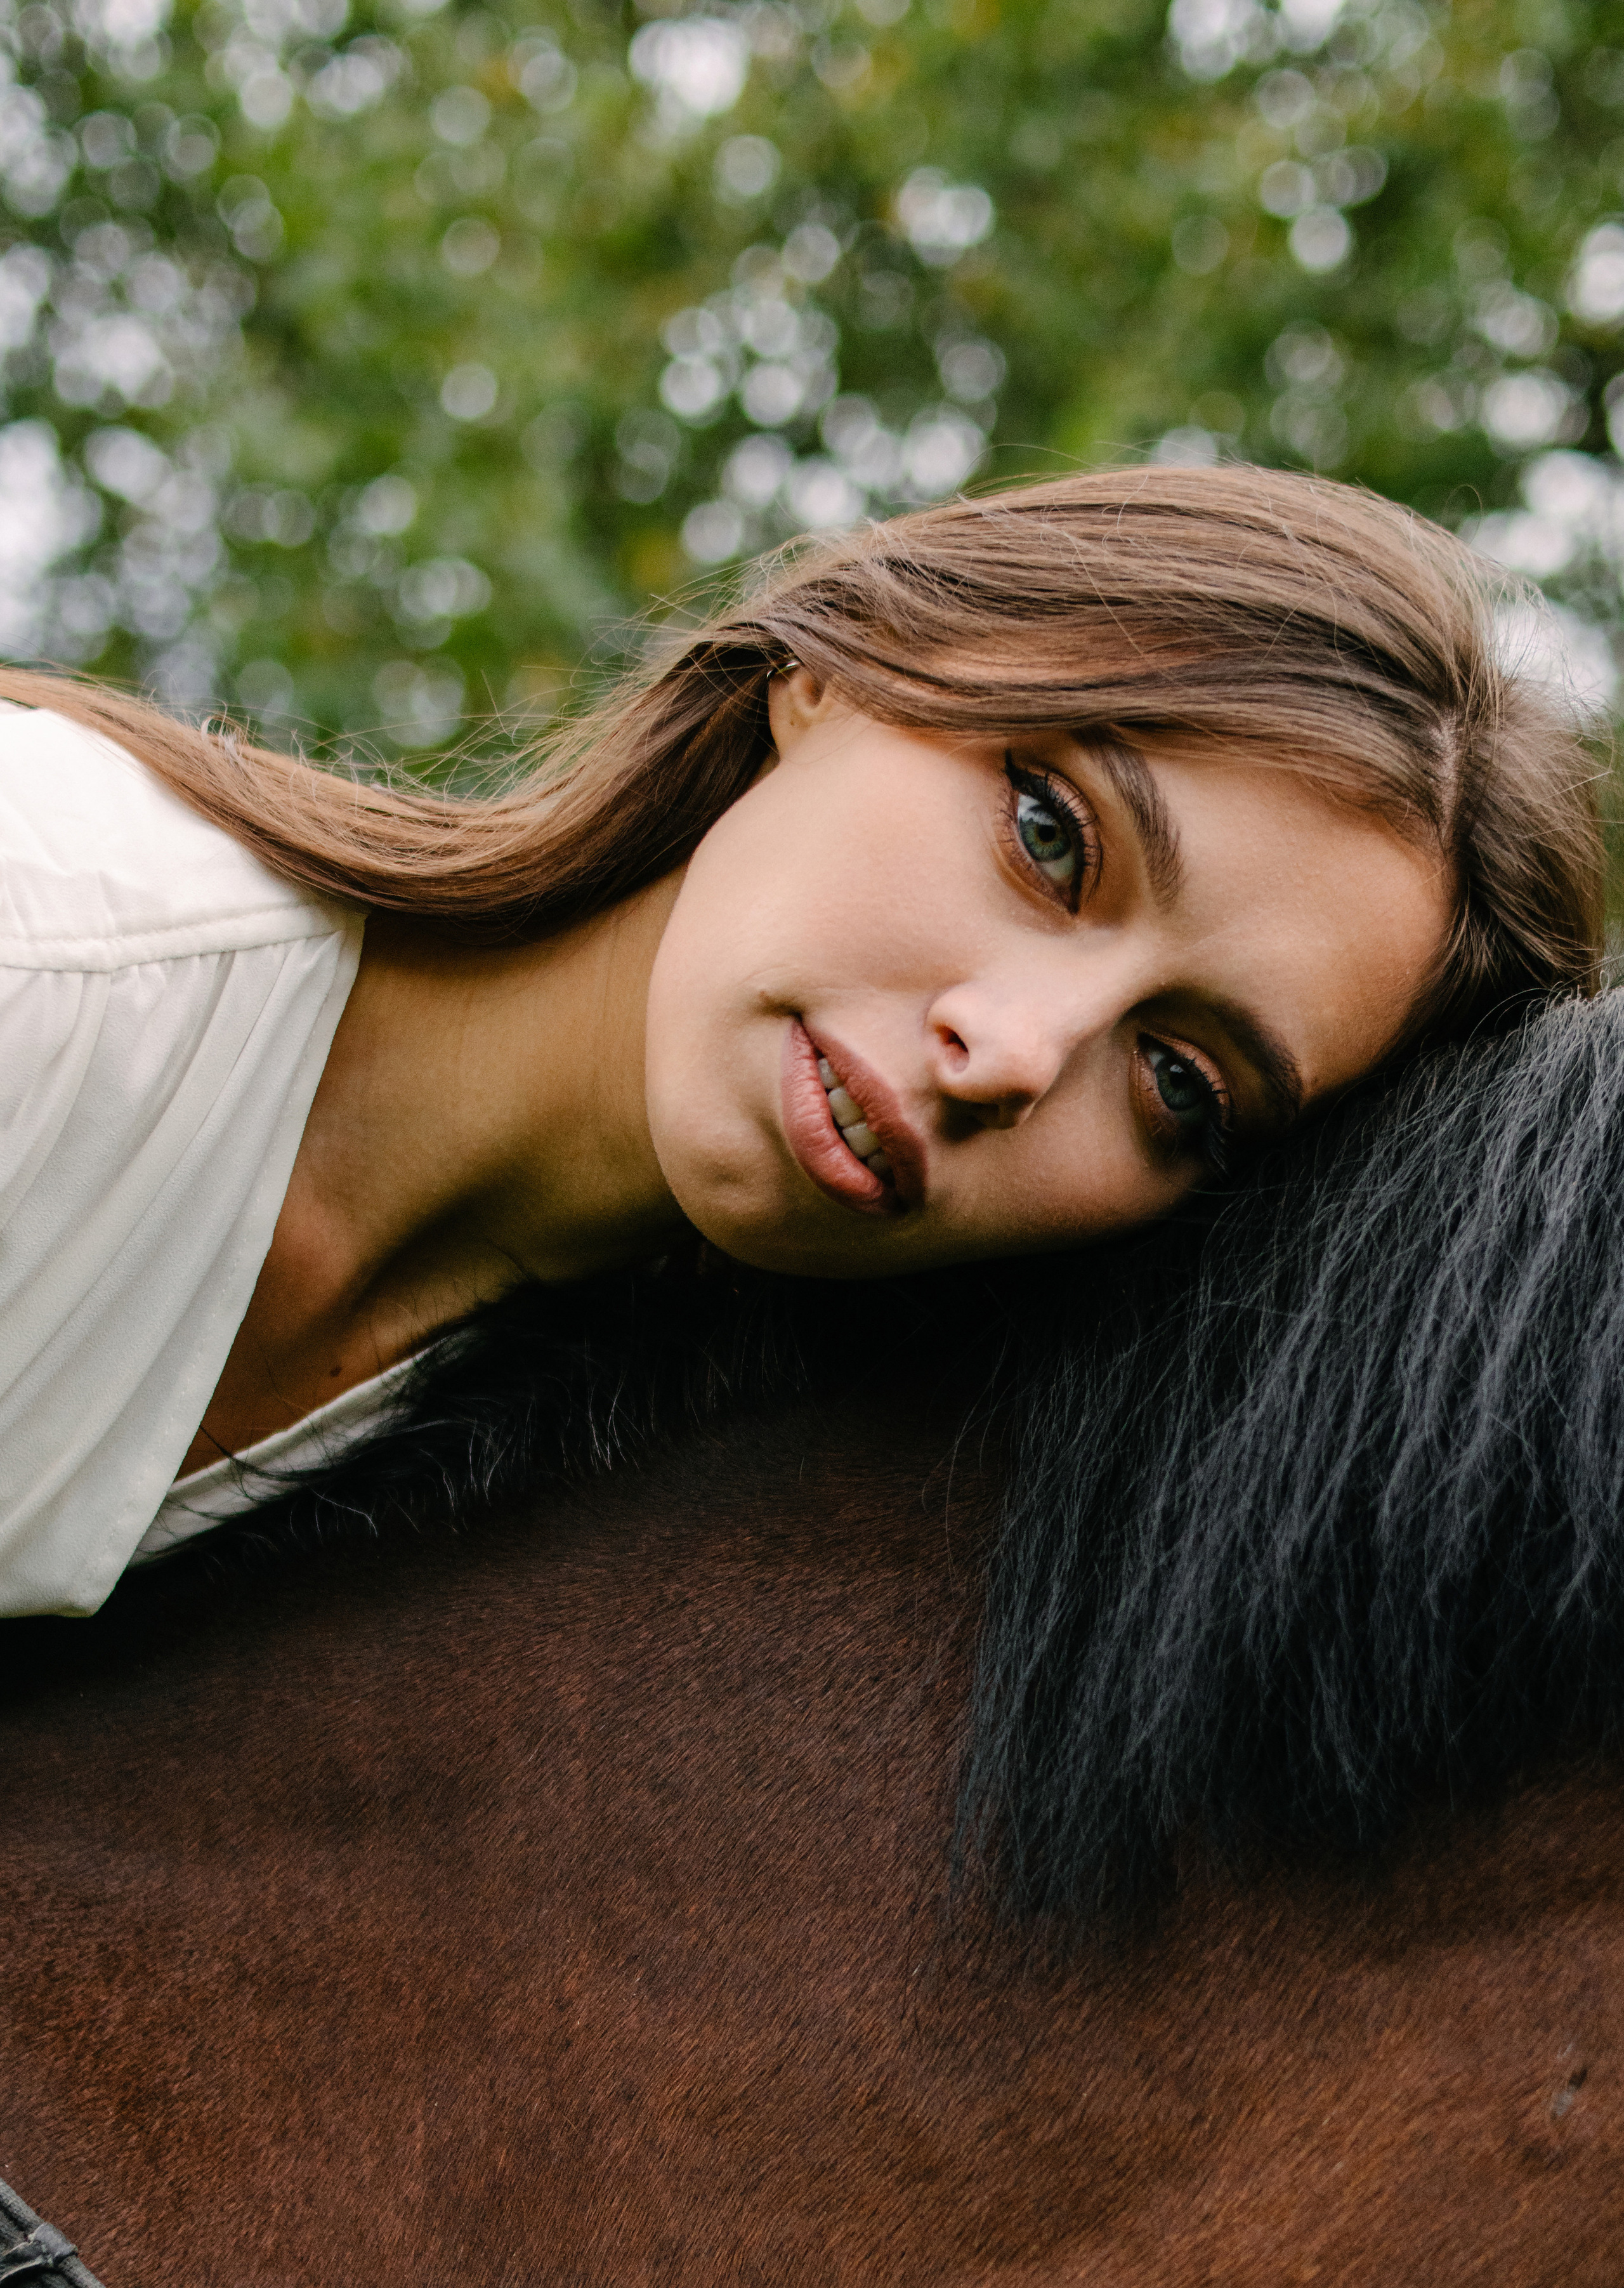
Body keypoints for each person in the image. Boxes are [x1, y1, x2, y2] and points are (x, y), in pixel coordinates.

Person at [0, 464, 1604, 1618]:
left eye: (1177, 1083)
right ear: (838, 672)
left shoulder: (618, 1519)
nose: (1011, 1054)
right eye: (1050, 836)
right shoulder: (50, 957)